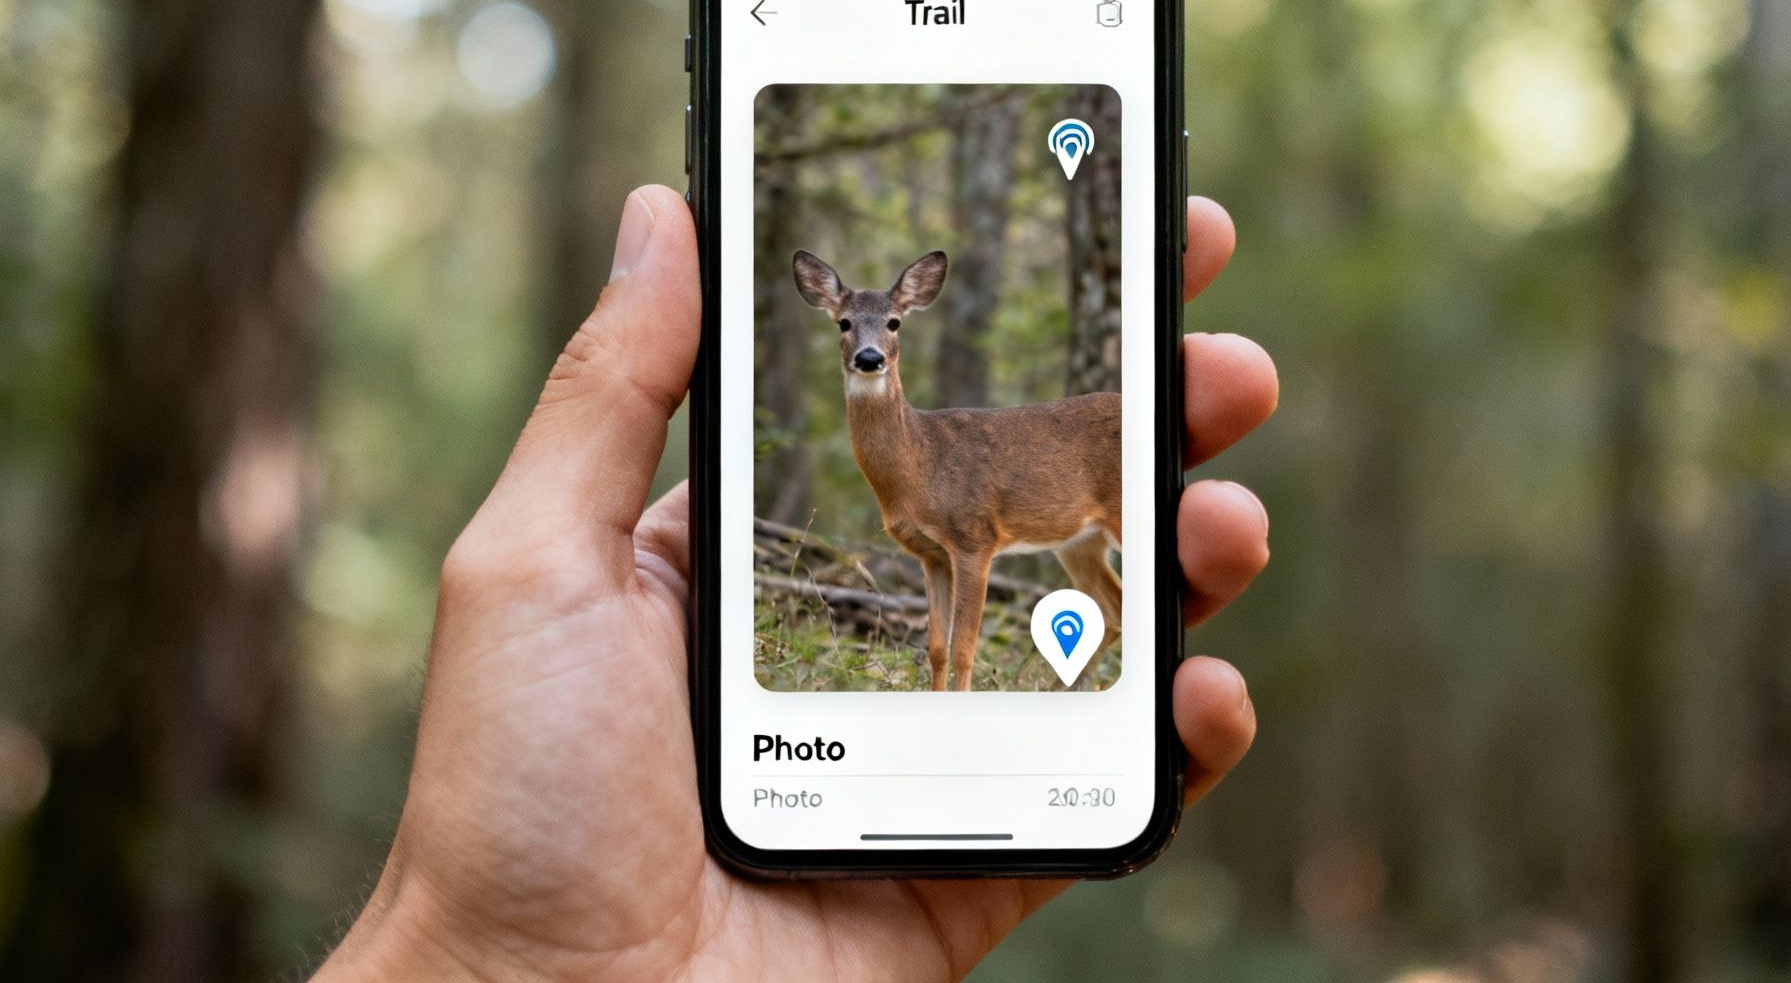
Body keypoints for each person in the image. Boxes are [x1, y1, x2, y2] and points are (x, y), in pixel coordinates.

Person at [315, 185, 1279, 982]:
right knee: (951, 550)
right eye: (855, 324)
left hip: (1078, 474)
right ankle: (993, 686)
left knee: (1064, 561)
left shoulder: (1010, 441)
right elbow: (944, 551)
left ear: (903, 331)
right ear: (833, 320)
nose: (868, 339)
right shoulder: (899, 463)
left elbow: (976, 546)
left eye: (888, 325)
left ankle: (1024, 682)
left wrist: (955, 674)